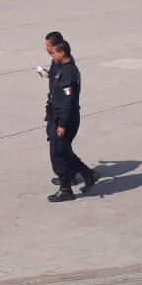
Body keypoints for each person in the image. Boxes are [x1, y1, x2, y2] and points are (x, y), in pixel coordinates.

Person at [46, 41, 97, 201]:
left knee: (60, 152)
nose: (51, 55)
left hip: (65, 119)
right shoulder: (62, 69)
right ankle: (87, 174)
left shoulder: (68, 72)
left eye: (54, 52)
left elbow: (68, 102)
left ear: (62, 53)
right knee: (62, 151)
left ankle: (66, 189)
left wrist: (62, 124)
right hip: (58, 116)